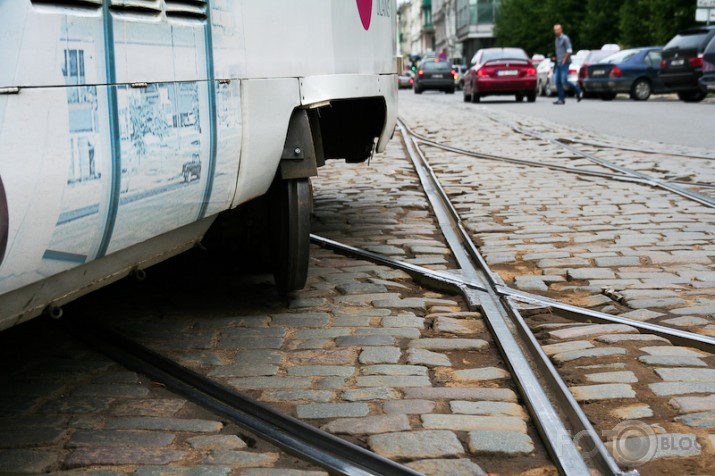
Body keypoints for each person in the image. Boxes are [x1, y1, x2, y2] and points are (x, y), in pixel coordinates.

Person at [552, 23, 583, 105]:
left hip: (564, 63)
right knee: (557, 81)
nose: (556, 31)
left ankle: (579, 91)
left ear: (561, 30)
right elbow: (560, 51)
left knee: (564, 80)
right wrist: (556, 58)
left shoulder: (565, 38)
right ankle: (561, 99)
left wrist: (564, 61)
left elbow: (569, 51)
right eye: (555, 30)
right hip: (558, 63)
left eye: (558, 29)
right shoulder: (556, 39)